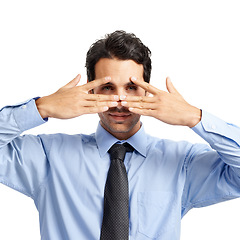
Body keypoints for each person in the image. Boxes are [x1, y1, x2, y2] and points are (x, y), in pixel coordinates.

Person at [0, 30, 240, 240]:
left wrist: (195, 117)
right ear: (90, 90)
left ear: (147, 92)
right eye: (107, 88)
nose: (120, 101)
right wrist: (40, 108)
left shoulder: (182, 163)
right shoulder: (47, 157)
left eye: (132, 88)